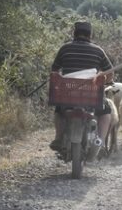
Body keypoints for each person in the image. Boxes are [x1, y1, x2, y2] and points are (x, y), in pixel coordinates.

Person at [49, 21, 114, 154]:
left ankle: (59, 137)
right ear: (90, 35)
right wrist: (105, 81)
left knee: (59, 111)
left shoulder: (65, 49)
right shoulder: (98, 50)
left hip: (67, 96)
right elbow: (110, 72)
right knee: (106, 112)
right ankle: (100, 142)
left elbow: (54, 71)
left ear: (74, 33)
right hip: (90, 96)